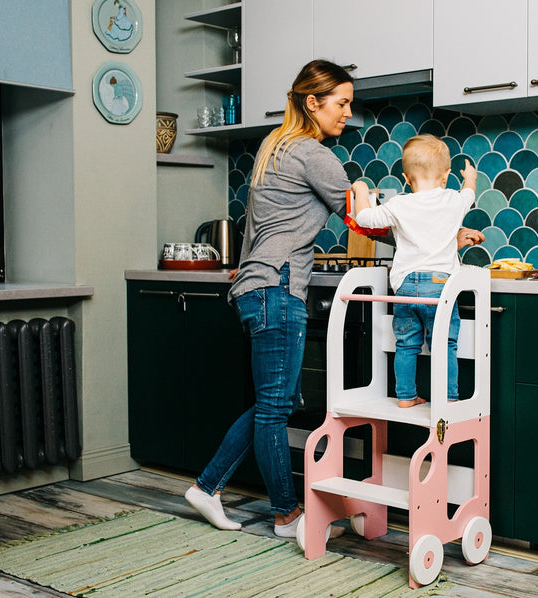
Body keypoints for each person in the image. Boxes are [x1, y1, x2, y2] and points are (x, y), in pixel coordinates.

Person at [185, 60, 485, 538]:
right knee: (274, 407)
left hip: (256, 286)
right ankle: (287, 515)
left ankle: (207, 488)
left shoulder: (271, 147)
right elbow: (362, 219)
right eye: (341, 103)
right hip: (280, 285)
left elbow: (253, 221)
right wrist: (434, 241)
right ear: (312, 102)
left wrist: (244, 271)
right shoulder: (313, 153)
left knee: (272, 402)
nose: (348, 113)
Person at [352, 134, 477, 408]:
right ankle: (448, 398)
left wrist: (361, 190)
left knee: (406, 344)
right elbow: (470, 194)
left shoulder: (400, 204)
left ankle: (406, 396)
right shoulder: (453, 200)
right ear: (445, 177)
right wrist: (470, 177)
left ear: (407, 178)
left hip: (406, 286)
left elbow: (364, 219)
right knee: (444, 345)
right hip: (442, 287)